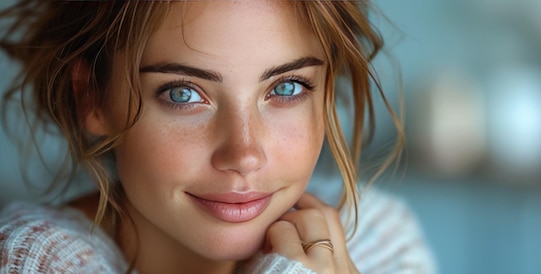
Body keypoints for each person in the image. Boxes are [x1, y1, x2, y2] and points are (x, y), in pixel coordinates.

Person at [0, 1, 436, 273]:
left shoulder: (379, 241)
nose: (244, 154)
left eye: (286, 88)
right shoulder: (34, 261)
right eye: (183, 93)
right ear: (93, 97)